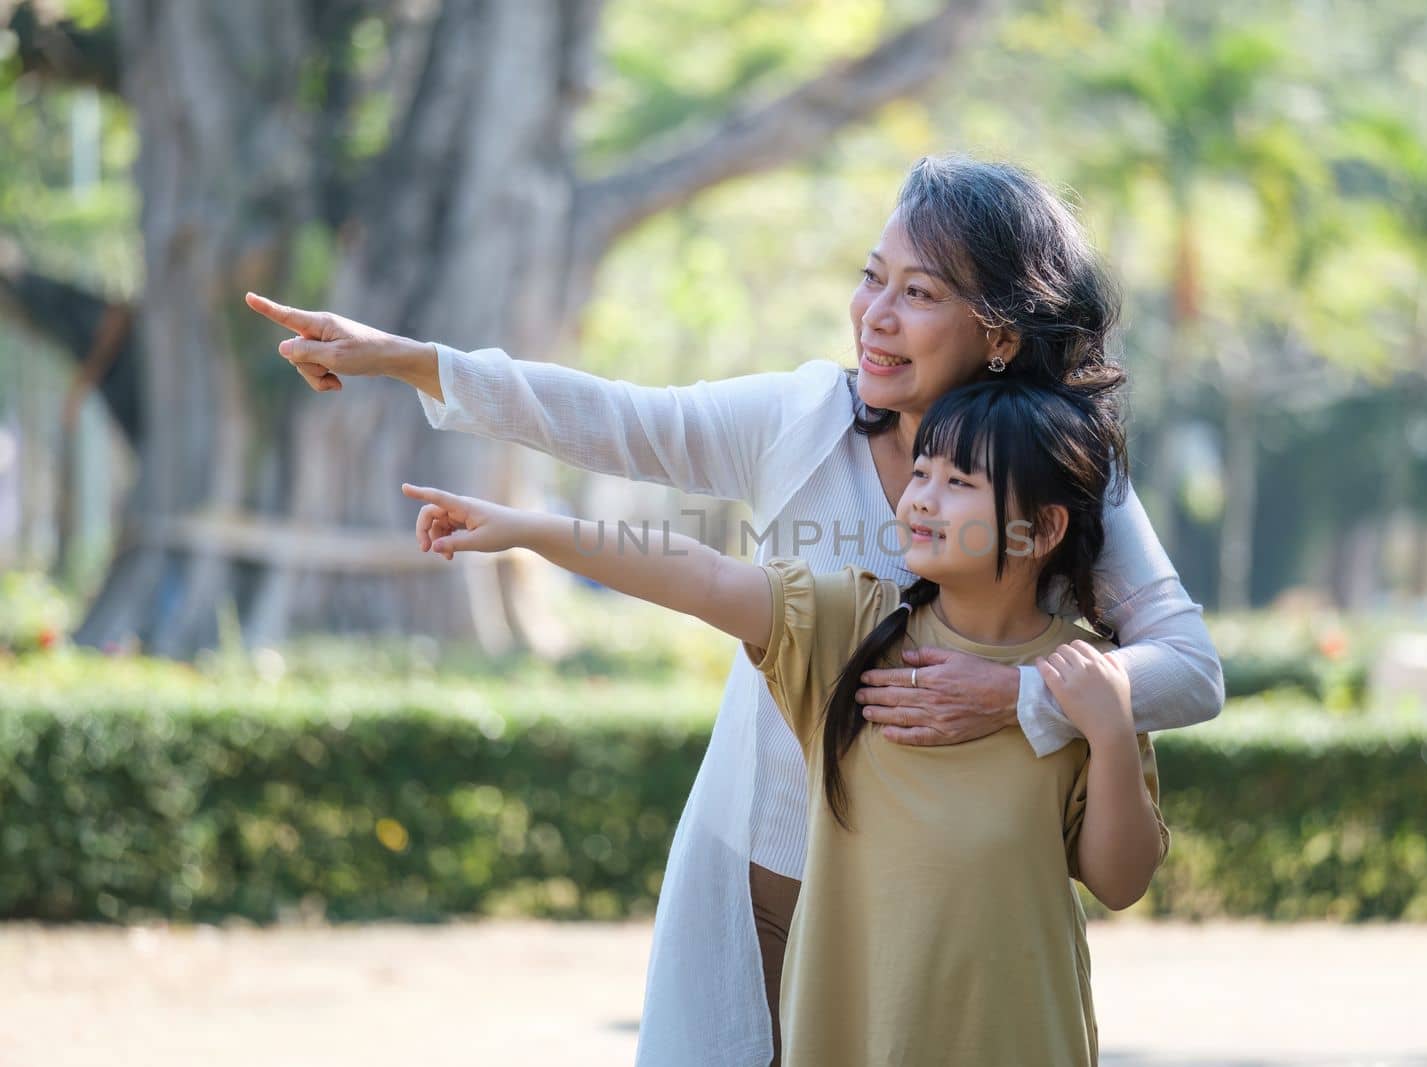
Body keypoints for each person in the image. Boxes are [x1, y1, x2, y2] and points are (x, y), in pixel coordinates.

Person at [247, 154, 1223, 1067]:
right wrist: (414, 361)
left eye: (918, 293)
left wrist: (1016, 696)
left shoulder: (1059, 483)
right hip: (765, 875)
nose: (874, 315)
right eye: (870, 277)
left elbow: (1189, 669)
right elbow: (621, 425)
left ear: (1001, 332)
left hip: (947, 908)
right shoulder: (798, 419)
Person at [400, 373, 1168, 1065]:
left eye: (959, 480)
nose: (922, 497)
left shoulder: (1085, 679)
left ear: (1041, 529)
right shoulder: (852, 628)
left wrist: (1106, 730)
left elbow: (1119, 878)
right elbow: (699, 573)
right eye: (922, 470)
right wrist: (525, 528)